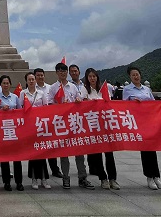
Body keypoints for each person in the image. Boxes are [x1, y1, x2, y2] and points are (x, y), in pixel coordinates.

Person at [48, 62, 94, 190]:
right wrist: (59, 106)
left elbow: (80, 100)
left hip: (74, 123)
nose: (63, 73)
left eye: (64, 71)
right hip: (62, 124)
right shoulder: (53, 88)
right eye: (60, 71)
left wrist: (78, 101)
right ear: (56, 73)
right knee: (64, 153)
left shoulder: (73, 87)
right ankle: (66, 178)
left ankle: (82, 178)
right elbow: (49, 104)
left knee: (79, 152)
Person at [123, 65, 161, 191]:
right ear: (130, 77)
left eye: (137, 74)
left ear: (140, 75)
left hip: (150, 122)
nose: (136, 76)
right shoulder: (127, 90)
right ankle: (149, 177)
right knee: (145, 149)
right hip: (138, 123)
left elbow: (153, 103)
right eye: (133, 75)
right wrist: (133, 104)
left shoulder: (147, 89)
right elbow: (124, 106)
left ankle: (156, 177)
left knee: (153, 149)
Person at [82, 68, 119, 191]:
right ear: (87, 78)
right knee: (97, 154)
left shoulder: (104, 89)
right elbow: (82, 105)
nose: (92, 78)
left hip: (106, 125)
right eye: (90, 76)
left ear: (97, 77)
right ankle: (103, 178)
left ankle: (113, 179)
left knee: (109, 154)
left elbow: (110, 104)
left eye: (94, 76)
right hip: (94, 127)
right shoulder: (84, 90)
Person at [20, 72, 49, 190]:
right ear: (26, 81)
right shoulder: (22, 93)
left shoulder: (41, 93)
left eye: (33, 79)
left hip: (40, 126)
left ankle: (44, 178)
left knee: (42, 153)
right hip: (29, 127)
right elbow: (19, 108)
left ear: (36, 81)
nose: (31, 81)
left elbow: (46, 108)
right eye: (29, 79)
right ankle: (33, 179)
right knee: (33, 154)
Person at [34, 67, 63, 179]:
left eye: (42, 75)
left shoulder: (50, 88)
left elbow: (53, 102)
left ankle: (55, 169)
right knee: (39, 147)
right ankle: (40, 172)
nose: (40, 77)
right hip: (36, 122)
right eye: (38, 75)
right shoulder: (31, 88)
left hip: (49, 121)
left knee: (50, 147)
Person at [0, 75, 24, 191]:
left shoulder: (15, 97)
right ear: (0, 85)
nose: (6, 85)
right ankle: (6, 182)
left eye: (7, 83)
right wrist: (1, 110)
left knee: (17, 158)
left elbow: (20, 111)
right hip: (3, 130)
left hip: (14, 130)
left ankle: (19, 182)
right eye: (3, 83)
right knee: (5, 158)